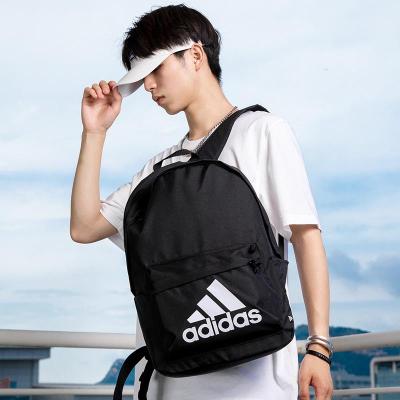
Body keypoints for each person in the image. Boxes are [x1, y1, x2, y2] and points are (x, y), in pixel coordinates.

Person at [70, 4, 333, 399]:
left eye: (156, 69)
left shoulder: (262, 132)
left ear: (195, 55)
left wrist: (318, 347)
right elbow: (84, 227)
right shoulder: (158, 169)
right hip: (169, 381)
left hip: (255, 383)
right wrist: (94, 133)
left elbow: (306, 236)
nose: (149, 86)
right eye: (141, 77)